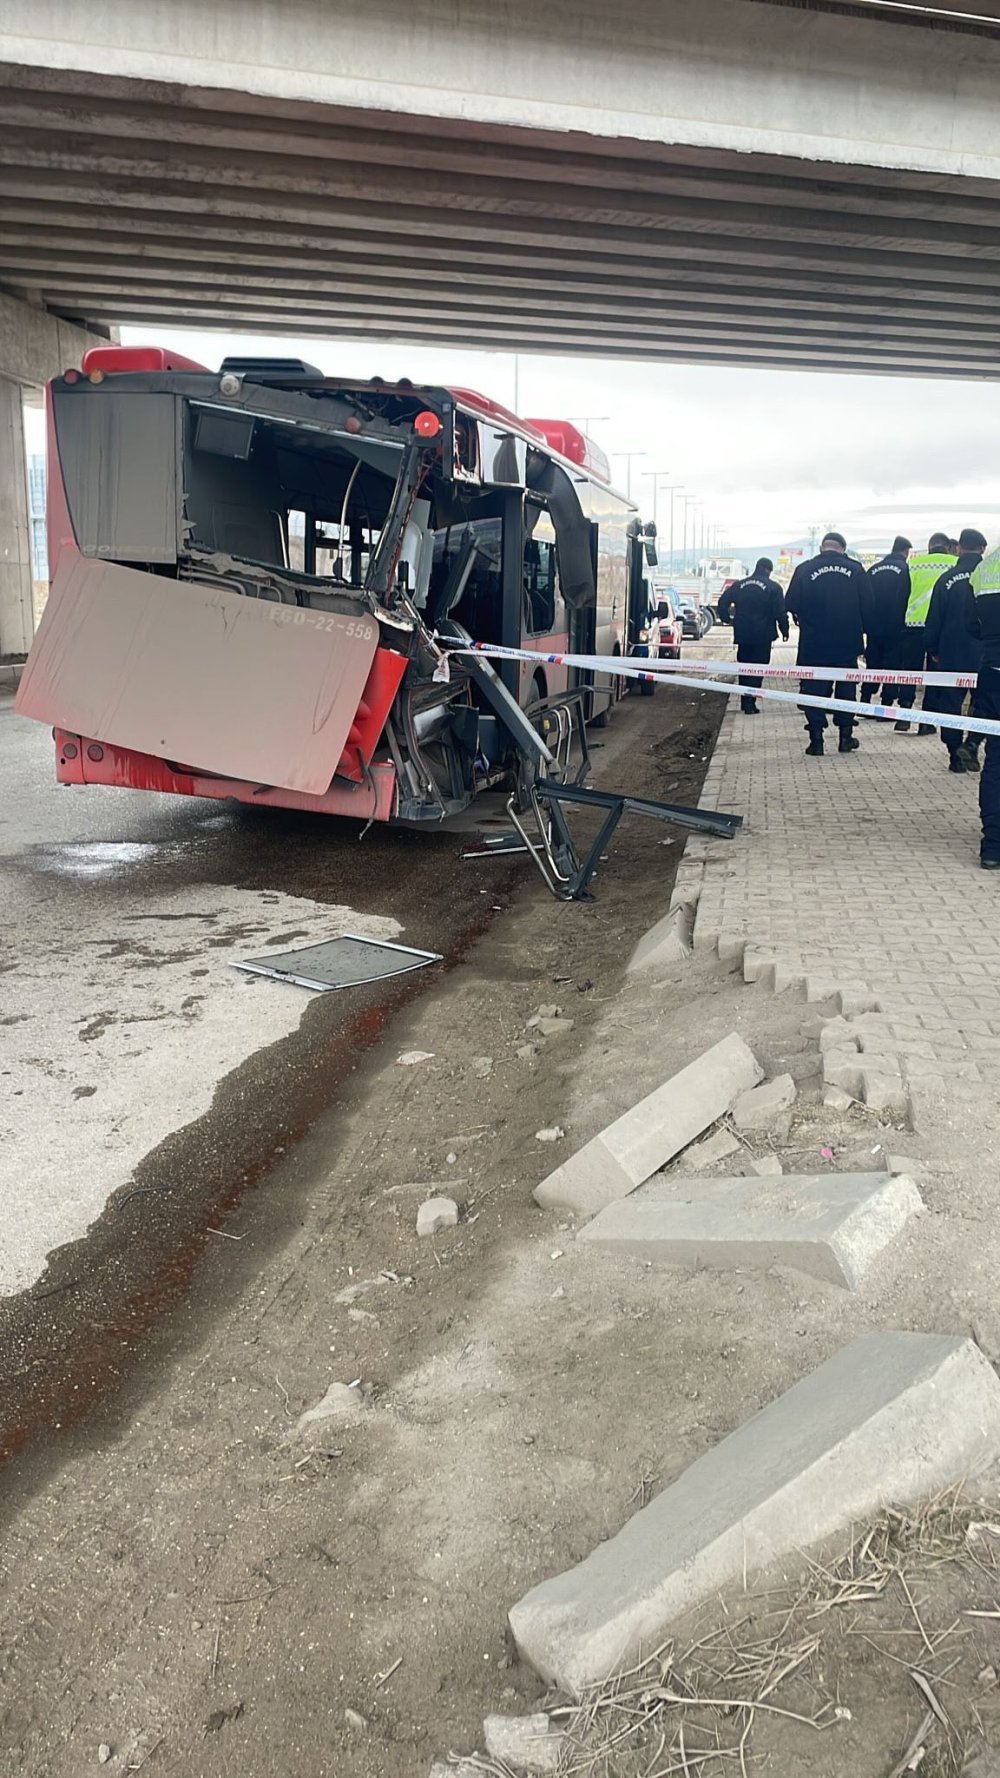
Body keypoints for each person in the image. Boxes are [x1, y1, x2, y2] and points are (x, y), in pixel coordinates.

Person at [785, 531, 872, 757]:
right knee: (846, 689)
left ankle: (816, 741)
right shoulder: (856, 569)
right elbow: (869, 606)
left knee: (813, 692)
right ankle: (845, 737)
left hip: (814, 644)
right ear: (842, 548)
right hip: (846, 643)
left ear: (823, 547)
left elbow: (791, 603)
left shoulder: (804, 569)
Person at [923, 527, 986, 773]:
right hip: (986, 654)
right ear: (982, 548)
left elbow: (934, 618)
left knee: (949, 706)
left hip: (951, 653)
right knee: (986, 704)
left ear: (958, 548)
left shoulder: (946, 580)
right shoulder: (990, 576)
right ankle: (973, 745)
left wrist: (932, 648)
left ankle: (954, 754)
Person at [892, 532, 955, 733]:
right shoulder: (954, 564)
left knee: (910, 671)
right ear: (947, 547)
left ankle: (904, 714)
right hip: (941, 629)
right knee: (934, 675)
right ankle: (926, 721)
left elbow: (900, 596)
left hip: (913, 626)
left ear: (929, 547)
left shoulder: (913, 564)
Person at [718, 556, 789, 714]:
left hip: (743, 633)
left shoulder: (739, 585)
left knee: (744, 668)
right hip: (763, 636)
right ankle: (750, 702)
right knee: (758, 669)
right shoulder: (773, 587)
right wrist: (785, 630)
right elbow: (780, 612)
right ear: (769, 570)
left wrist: (727, 619)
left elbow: (723, 602)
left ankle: (745, 700)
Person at [969, 545, 1000, 869]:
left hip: (993, 670)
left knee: (996, 763)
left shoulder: (985, 567)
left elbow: (971, 623)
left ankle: (992, 845)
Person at [860, 535, 910, 711]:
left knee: (873, 663)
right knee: (892, 666)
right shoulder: (905, 569)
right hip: (896, 626)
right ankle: (886, 704)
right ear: (906, 551)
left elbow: (864, 597)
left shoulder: (874, 569)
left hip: (874, 626)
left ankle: (865, 698)